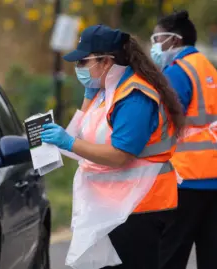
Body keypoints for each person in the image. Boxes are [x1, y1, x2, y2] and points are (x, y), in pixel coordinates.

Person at [40, 24, 185, 269]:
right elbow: (82, 131)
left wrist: (69, 143)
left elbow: (121, 156)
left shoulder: (134, 96)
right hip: (115, 206)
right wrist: (87, 97)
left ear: (105, 62)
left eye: (83, 62)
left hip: (143, 207)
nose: (78, 69)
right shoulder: (106, 91)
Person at [150, 10, 217, 269]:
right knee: (215, 250)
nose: (154, 45)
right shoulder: (207, 67)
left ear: (174, 40)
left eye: (157, 39)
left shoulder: (177, 72)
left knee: (171, 250)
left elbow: (163, 121)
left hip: (188, 175)